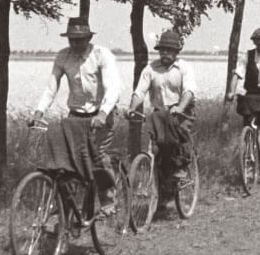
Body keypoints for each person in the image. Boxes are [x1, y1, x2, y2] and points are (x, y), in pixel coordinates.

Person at [28, 16, 123, 215]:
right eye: (72, 39)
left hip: (101, 113)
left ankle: (108, 196)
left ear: (88, 38)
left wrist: (103, 113)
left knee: (98, 156)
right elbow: (51, 88)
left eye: (80, 39)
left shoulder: (101, 54)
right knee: (67, 161)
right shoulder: (63, 57)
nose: (76, 43)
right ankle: (70, 210)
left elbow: (112, 87)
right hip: (76, 116)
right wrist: (38, 112)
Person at [128, 29, 197, 180]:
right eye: (162, 50)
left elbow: (189, 91)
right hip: (159, 113)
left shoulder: (184, 68)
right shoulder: (150, 69)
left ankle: (182, 165)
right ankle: (160, 185)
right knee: (157, 145)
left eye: (169, 50)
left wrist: (180, 107)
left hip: (181, 112)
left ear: (176, 51)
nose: (165, 53)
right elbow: (140, 91)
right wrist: (132, 108)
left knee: (180, 135)